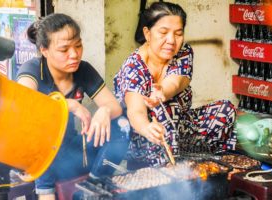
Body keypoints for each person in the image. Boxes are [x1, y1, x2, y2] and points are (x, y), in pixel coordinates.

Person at [16, 13, 130, 199]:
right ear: (44, 51)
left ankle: (93, 187)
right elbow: (24, 107)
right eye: (64, 50)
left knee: (122, 125)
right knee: (45, 138)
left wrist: (105, 110)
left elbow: (114, 106)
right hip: (39, 158)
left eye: (78, 46)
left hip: (72, 153)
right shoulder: (33, 70)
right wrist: (68, 104)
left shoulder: (82, 69)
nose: (74, 54)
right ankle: (46, 194)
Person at [114, 2, 236, 169]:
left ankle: (197, 162)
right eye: (163, 32)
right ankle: (168, 169)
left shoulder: (183, 52)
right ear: (147, 33)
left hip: (180, 129)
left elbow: (178, 81)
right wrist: (147, 127)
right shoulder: (133, 68)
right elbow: (135, 112)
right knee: (164, 109)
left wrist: (163, 92)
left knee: (225, 110)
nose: (171, 40)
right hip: (146, 138)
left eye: (178, 33)